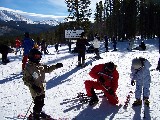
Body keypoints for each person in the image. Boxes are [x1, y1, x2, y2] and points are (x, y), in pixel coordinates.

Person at [22, 48, 63, 120]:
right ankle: (36, 116)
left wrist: (56, 66)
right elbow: (26, 80)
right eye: (36, 56)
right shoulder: (28, 67)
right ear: (32, 56)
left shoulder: (40, 65)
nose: (38, 58)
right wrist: (34, 86)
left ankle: (39, 112)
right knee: (38, 103)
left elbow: (48, 69)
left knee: (41, 101)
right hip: (35, 90)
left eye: (39, 56)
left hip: (42, 88)